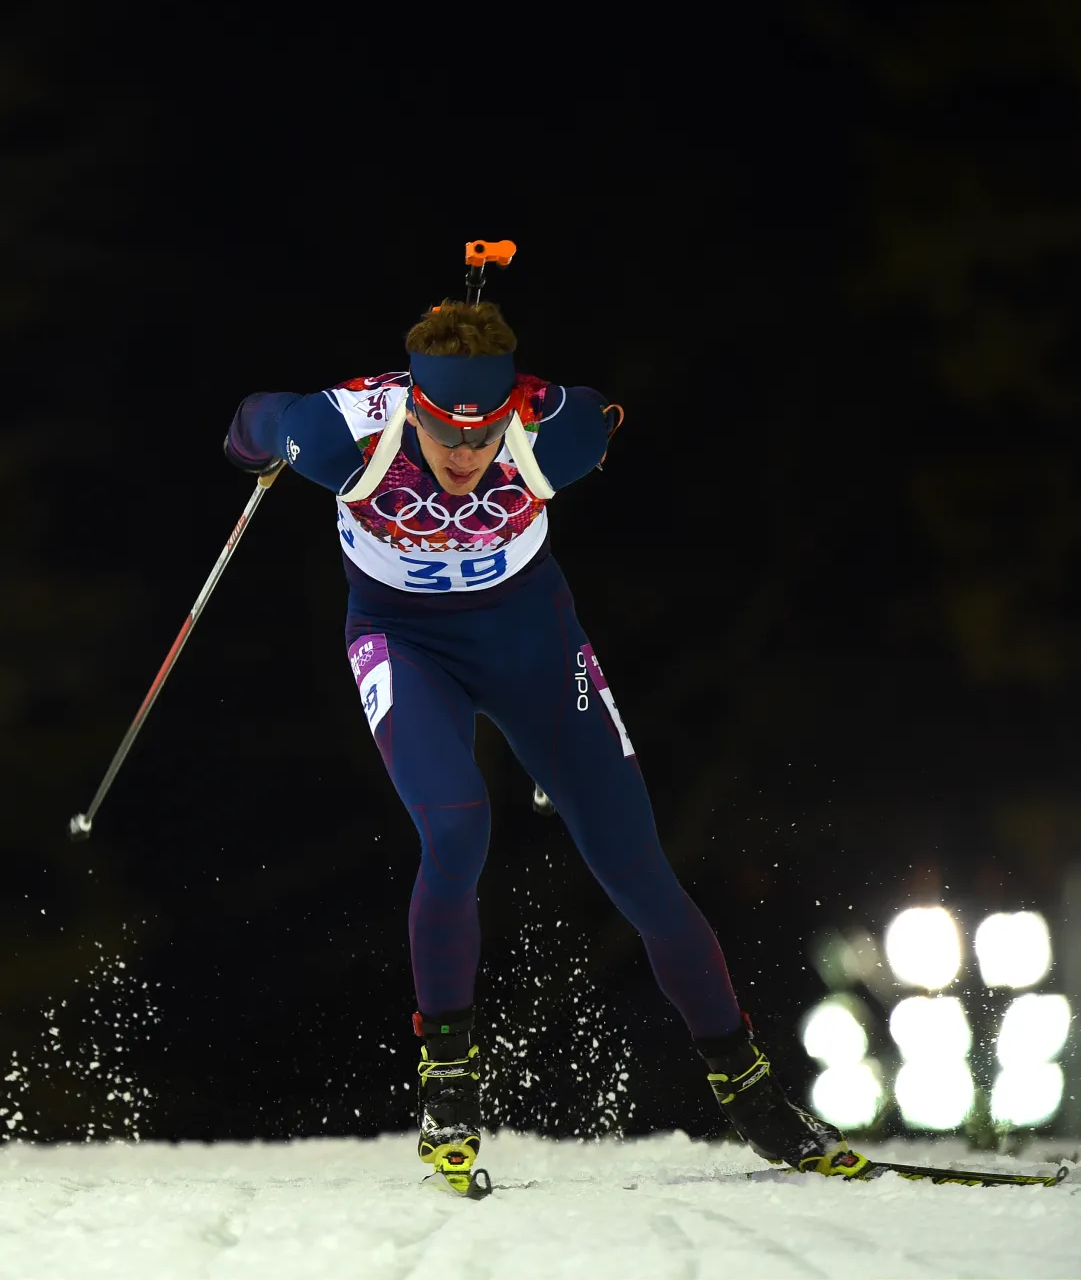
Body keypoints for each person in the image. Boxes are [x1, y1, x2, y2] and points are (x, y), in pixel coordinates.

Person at [224, 299, 867, 1192]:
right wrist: (251, 452)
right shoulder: (338, 434)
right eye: (445, 431)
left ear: (510, 409)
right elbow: (259, 413)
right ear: (410, 404)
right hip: (403, 641)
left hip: (533, 642)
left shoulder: (555, 432)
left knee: (635, 863)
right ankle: (448, 1073)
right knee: (454, 831)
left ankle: (748, 1086)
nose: (463, 455)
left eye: (482, 434)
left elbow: (602, 414)